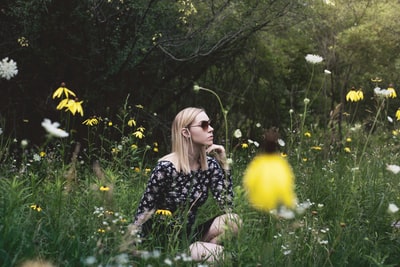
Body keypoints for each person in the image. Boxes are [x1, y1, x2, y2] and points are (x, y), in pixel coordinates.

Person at [130, 107, 241, 262]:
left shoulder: (209, 165)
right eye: (204, 125)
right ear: (185, 132)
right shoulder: (165, 168)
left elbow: (227, 206)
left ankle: (200, 256)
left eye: (210, 124)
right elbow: (143, 212)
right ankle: (186, 258)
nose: (211, 129)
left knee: (234, 220)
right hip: (163, 243)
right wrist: (135, 251)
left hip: (189, 235)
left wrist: (225, 166)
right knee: (226, 257)